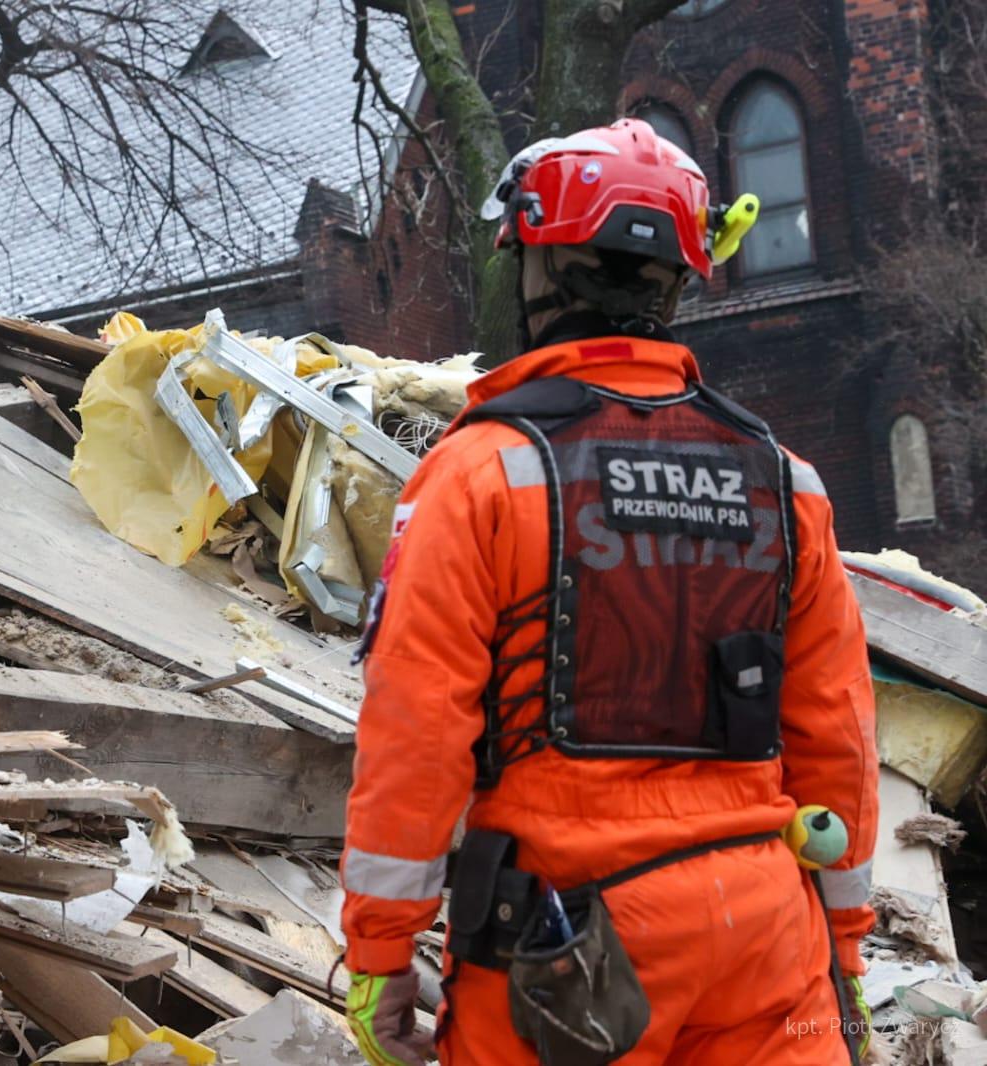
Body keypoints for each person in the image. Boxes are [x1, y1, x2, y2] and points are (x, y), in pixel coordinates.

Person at [339, 118, 878, 1066]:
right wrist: (843, 951)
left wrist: (381, 951)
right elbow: (835, 728)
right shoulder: (784, 481)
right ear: (682, 278)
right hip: (764, 934)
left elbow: (417, 727)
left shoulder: (484, 474)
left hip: (566, 947)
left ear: (539, 266)